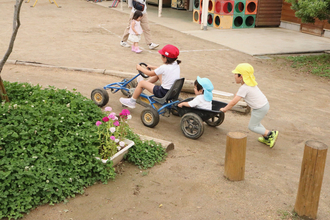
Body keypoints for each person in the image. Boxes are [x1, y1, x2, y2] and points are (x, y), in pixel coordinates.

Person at [220, 63, 279, 148]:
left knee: (252, 126)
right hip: (263, 106)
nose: (234, 75)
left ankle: (270, 134)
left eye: (235, 74)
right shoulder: (249, 85)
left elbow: (233, 102)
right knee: (256, 123)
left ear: (241, 76)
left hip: (259, 108)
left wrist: (225, 109)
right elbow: (241, 94)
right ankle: (266, 137)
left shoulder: (244, 88)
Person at [120, 44, 181, 109]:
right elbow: (160, 70)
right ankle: (143, 86)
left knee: (141, 83)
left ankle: (132, 101)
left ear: (165, 58)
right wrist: (152, 67)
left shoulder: (164, 67)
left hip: (162, 92)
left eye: (161, 55)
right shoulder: (176, 65)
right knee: (158, 74)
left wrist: (140, 68)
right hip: (172, 91)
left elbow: (150, 74)